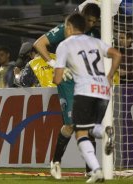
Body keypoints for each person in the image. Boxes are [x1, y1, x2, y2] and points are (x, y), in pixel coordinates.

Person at [33, 3, 101, 179]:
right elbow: (39, 44)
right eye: (89, 20)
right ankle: (55, 163)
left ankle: (90, 170)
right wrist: (53, 63)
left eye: (95, 21)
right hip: (67, 82)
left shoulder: (95, 34)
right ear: (83, 16)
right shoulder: (66, 28)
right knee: (72, 124)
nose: (91, 24)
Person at [53, 13, 121, 183]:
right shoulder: (96, 41)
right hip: (104, 90)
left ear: (69, 27)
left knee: (81, 132)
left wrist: (60, 71)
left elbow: (57, 79)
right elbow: (117, 55)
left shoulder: (65, 45)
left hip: (85, 91)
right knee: (90, 128)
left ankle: (98, 166)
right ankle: (95, 170)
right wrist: (110, 75)